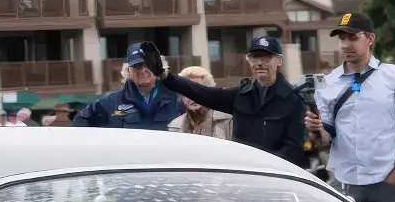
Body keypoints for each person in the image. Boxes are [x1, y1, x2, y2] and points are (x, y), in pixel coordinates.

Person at [311, 11, 395, 202]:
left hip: (386, 179)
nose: (345, 45)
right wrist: (316, 128)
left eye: (352, 37)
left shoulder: (393, 76)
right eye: (342, 38)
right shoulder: (329, 82)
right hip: (345, 181)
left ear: (370, 39)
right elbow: (327, 137)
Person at [155, 35, 311, 167]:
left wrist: (262, 167)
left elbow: (293, 151)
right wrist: (164, 75)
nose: (259, 63)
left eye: (266, 58)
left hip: (277, 178)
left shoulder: (294, 101)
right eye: (255, 58)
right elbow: (202, 93)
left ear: (279, 61)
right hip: (241, 177)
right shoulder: (240, 95)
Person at [75, 43, 184, 130]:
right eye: (137, 66)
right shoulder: (112, 101)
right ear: (128, 70)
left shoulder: (177, 98)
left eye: (148, 64)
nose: (143, 70)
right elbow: (81, 121)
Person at [167, 66, 234, 137]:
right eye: (187, 93)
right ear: (180, 96)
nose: (193, 98)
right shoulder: (175, 127)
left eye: (198, 92)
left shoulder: (228, 121)